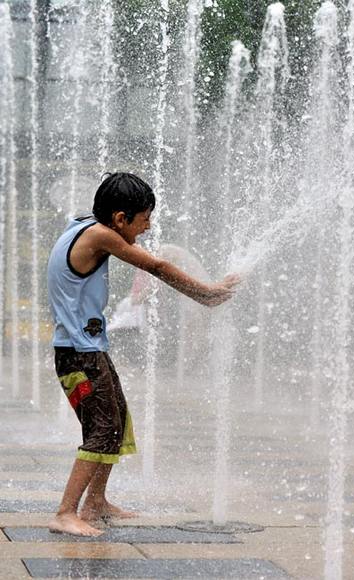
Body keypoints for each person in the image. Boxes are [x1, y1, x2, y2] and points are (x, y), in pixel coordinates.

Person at [46, 172, 239, 537]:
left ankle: (96, 502)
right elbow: (157, 266)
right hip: (78, 354)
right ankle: (65, 511)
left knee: (115, 422)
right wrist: (207, 295)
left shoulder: (85, 225)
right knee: (102, 430)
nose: (147, 228)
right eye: (144, 219)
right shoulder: (101, 234)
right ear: (120, 218)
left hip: (89, 351)